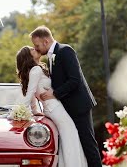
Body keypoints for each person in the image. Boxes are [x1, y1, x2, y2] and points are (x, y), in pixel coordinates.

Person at [30, 26, 102, 167]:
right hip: (67, 108)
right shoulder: (51, 57)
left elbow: (75, 80)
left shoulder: (65, 50)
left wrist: (55, 93)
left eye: (37, 45)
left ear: (45, 41)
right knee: (78, 144)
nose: (36, 48)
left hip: (79, 106)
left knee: (88, 144)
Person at [16, 46, 88, 167]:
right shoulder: (36, 70)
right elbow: (30, 93)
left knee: (67, 135)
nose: (35, 48)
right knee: (71, 134)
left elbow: (33, 95)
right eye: (32, 50)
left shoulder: (37, 69)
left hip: (51, 107)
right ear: (28, 57)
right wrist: (20, 111)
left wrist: (35, 111)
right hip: (54, 108)